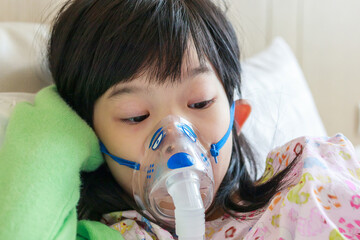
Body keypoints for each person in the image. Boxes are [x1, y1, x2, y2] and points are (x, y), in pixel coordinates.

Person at [0, 0, 359, 239]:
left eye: (200, 103)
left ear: (236, 116)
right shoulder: (116, 235)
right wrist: (56, 127)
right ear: (93, 136)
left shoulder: (306, 183)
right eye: (135, 115)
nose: (175, 136)